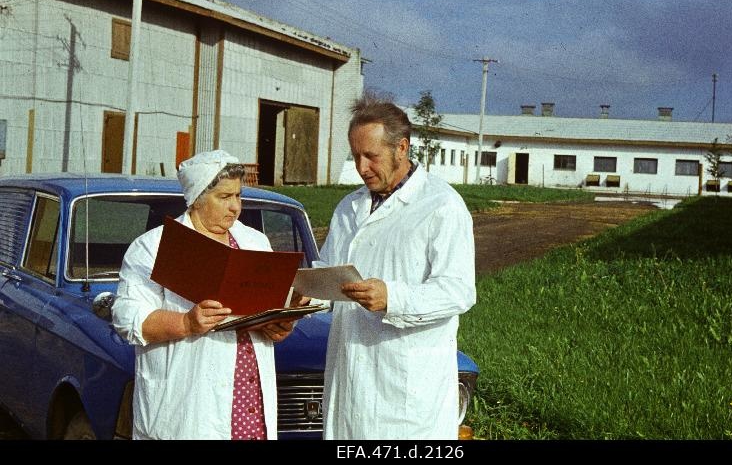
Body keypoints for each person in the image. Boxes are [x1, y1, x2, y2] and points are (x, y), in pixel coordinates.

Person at [317, 95, 476, 439]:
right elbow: (327, 272)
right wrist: (306, 294)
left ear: (401, 148)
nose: (361, 167)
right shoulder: (349, 207)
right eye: (355, 155)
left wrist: (394, 298)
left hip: (407, 389)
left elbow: (459, 291)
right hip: (351, 378)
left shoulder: (442, 205)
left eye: (371, 156)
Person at [112, 149, 299, 440]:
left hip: (249, 399)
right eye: (224, 197)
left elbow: (269, 303)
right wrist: (186, 323)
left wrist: (279, 324)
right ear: (197, 198)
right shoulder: (153, 247)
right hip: (186, 408)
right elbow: (127, 319)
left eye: (238, 195)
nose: (235, 207)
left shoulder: (255, 241)